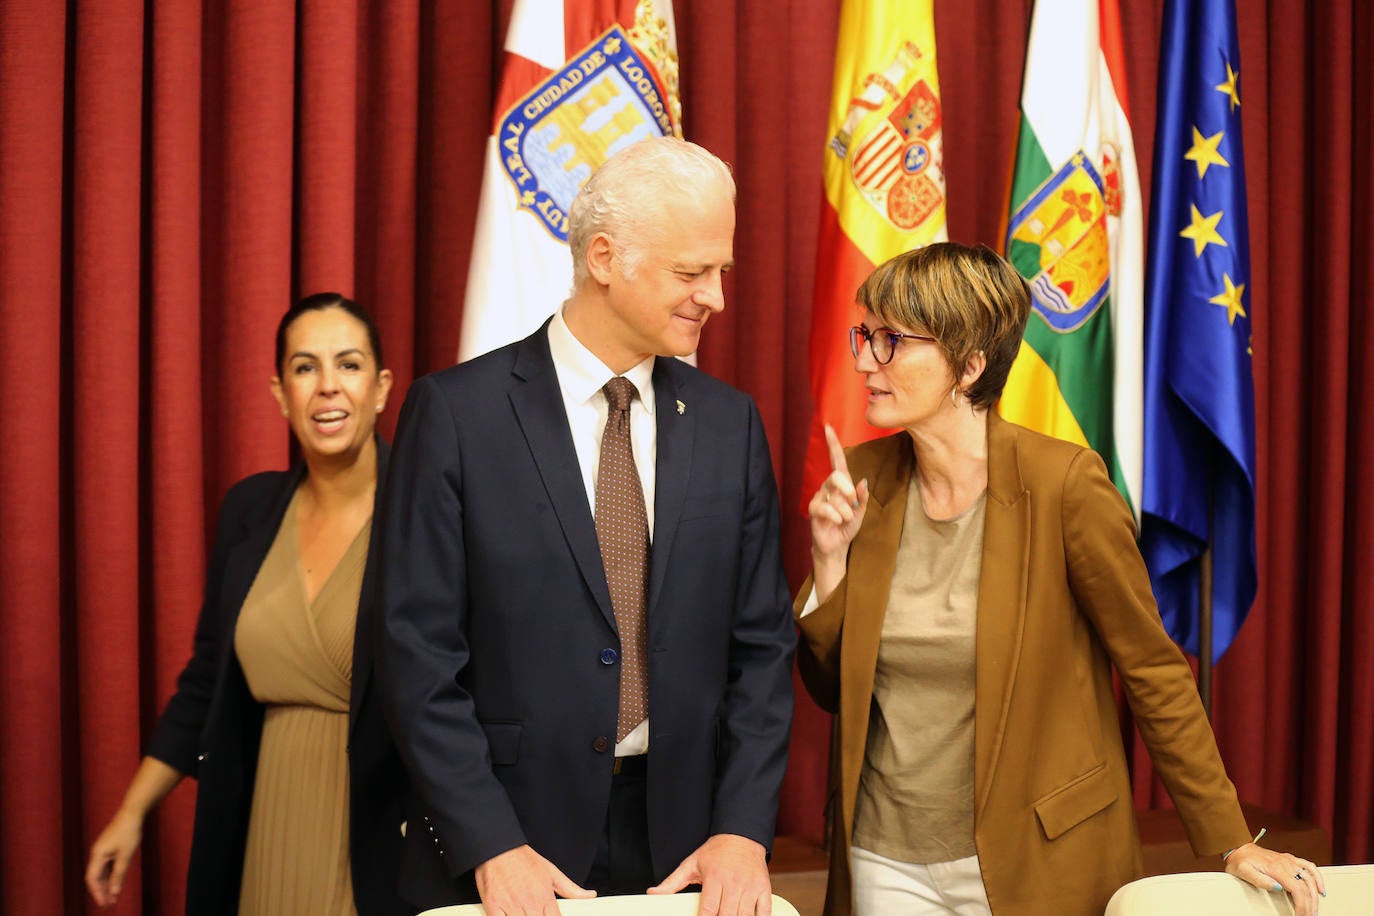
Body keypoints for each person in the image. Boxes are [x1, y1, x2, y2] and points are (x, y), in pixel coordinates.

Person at [797, 243, 1326, 916]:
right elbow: (828, 690)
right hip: (882, 858)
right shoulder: (863, 481)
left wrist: (1230, 839)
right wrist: (828, 564)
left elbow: (1152, 670)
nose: (863, 358)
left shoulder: (1065, 485)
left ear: (970, 364)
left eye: (890, 341)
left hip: (1037, 855)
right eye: (864, 335)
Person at [376, 136, 796, 916]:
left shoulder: (729, 424)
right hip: (507, 847)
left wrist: (743, 831)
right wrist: (490, 842)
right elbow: (415, 655)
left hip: (687, 851)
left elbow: (763, 649)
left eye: (722, 273)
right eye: (690, 272)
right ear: (604, 258)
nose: (716, 297)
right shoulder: (456, 416)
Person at [84, 293, 408, 915]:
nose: (328, 388)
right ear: (281, 392)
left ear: (381, 387)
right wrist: (131, 813)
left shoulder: (426, 511)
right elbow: (207, 680)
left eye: (348, 364)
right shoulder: (249, 511)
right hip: (262, 827)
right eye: (305, 368)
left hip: (382, 837)